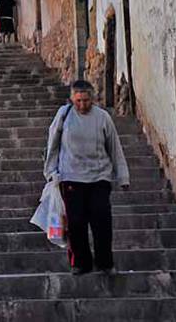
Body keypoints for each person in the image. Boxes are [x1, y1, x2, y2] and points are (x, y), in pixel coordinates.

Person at [44, 80, 130, 275]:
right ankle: (81, 263)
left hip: (99, 176)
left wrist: (123, 175)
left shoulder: (102, 118)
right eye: (78, 101)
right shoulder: (64, 115)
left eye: (86, 100)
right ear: (72, 99)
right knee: (76, 223)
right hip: (71, 177)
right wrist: (50, 172)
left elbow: (114, 147)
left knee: (102, 221)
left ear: (92, 99)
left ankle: (105, 263)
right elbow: (53, 144)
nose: (82, 105)